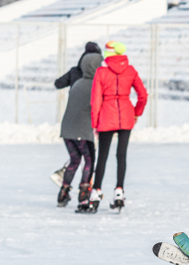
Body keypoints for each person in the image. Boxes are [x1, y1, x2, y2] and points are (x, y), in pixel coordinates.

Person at [88, 41, 147, 212]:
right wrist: (136, 113)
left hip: (107, 115)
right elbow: (143, 95)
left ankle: (96, 192)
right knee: (122, 155)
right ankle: (119, 191)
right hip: (126, 114)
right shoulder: (131, 70)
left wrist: (94, 123)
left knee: (102, 155)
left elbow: (95, 100)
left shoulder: (101, 72)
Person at [51, 42, 103, 186]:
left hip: (72, 116)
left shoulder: (75, 72)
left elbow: (58, 83)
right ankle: (85, 189)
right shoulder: (96, 79)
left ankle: (65, 184)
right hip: (86, 120)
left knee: (77, 156)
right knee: (89, 157)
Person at [58, 52, 101, 211]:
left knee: (74, 160)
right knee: (89, 160)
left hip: (67, 129)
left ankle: (63, 192)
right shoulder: (95, 85)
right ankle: (84, 193)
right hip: (82, 131)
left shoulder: (77, 83)